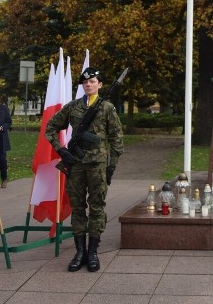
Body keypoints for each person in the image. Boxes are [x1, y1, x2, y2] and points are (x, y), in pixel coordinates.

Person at [45, 67, 124, 273]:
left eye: (93, 81)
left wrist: (111, 165)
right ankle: (80, 252)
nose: (88, 84)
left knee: (97, 206)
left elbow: (117, 139)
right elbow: (50, 127)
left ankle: (93, 252)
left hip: (97, 165)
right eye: (85, 82)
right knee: (78, 207)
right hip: (76, 164)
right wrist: (61, 150)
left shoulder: (107, 108)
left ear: (100, 84)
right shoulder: (73, 107)